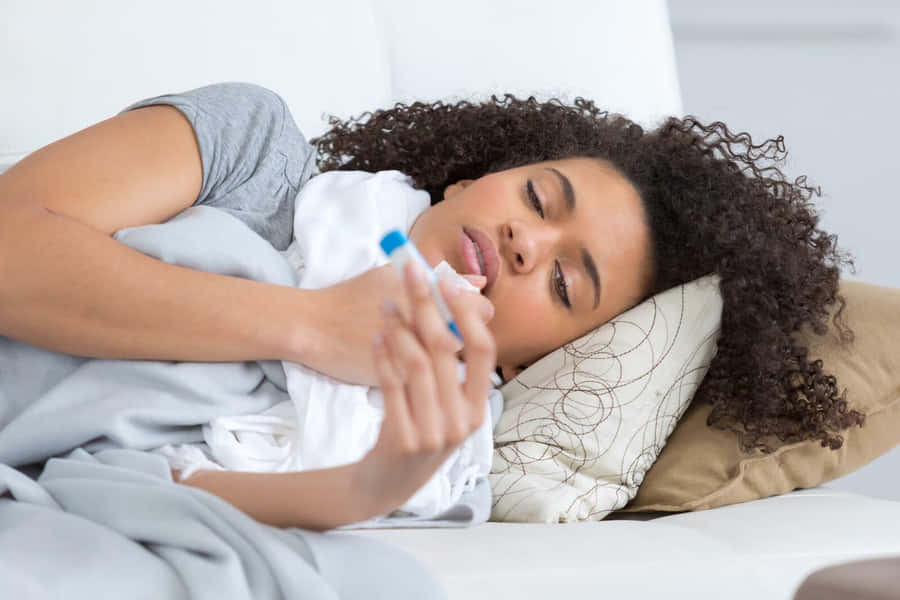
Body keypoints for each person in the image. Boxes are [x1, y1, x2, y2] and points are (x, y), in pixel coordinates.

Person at [0, 82, 864, 530]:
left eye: (564, 285)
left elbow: (151, 491)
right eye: (538, 197)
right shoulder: (252, 147)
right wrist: (314, 327)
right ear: (471, 178)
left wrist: (370, 486)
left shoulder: (444, 447)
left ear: (524, 364)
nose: (529, 242)